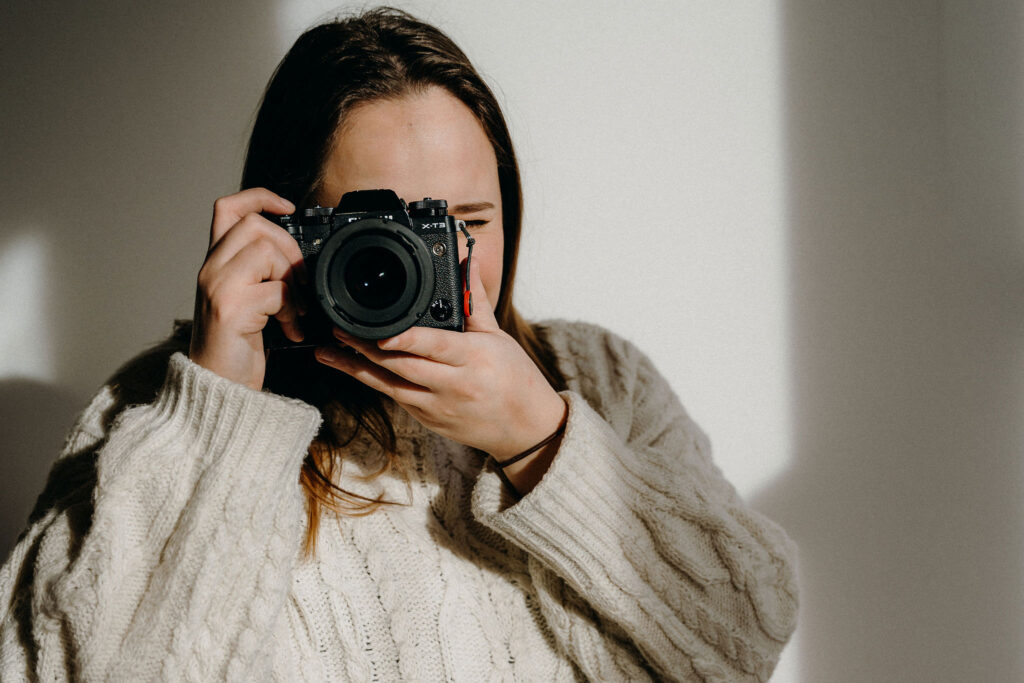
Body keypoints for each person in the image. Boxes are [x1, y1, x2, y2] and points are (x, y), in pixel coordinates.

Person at [0, 7, 798, 681]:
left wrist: (543, 441)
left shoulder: (601, 379)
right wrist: (217, 411)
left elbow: (743, 642)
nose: (436, 259)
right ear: (289, 226)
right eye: (385, 229)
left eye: (470, 222)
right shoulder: (162, 405)